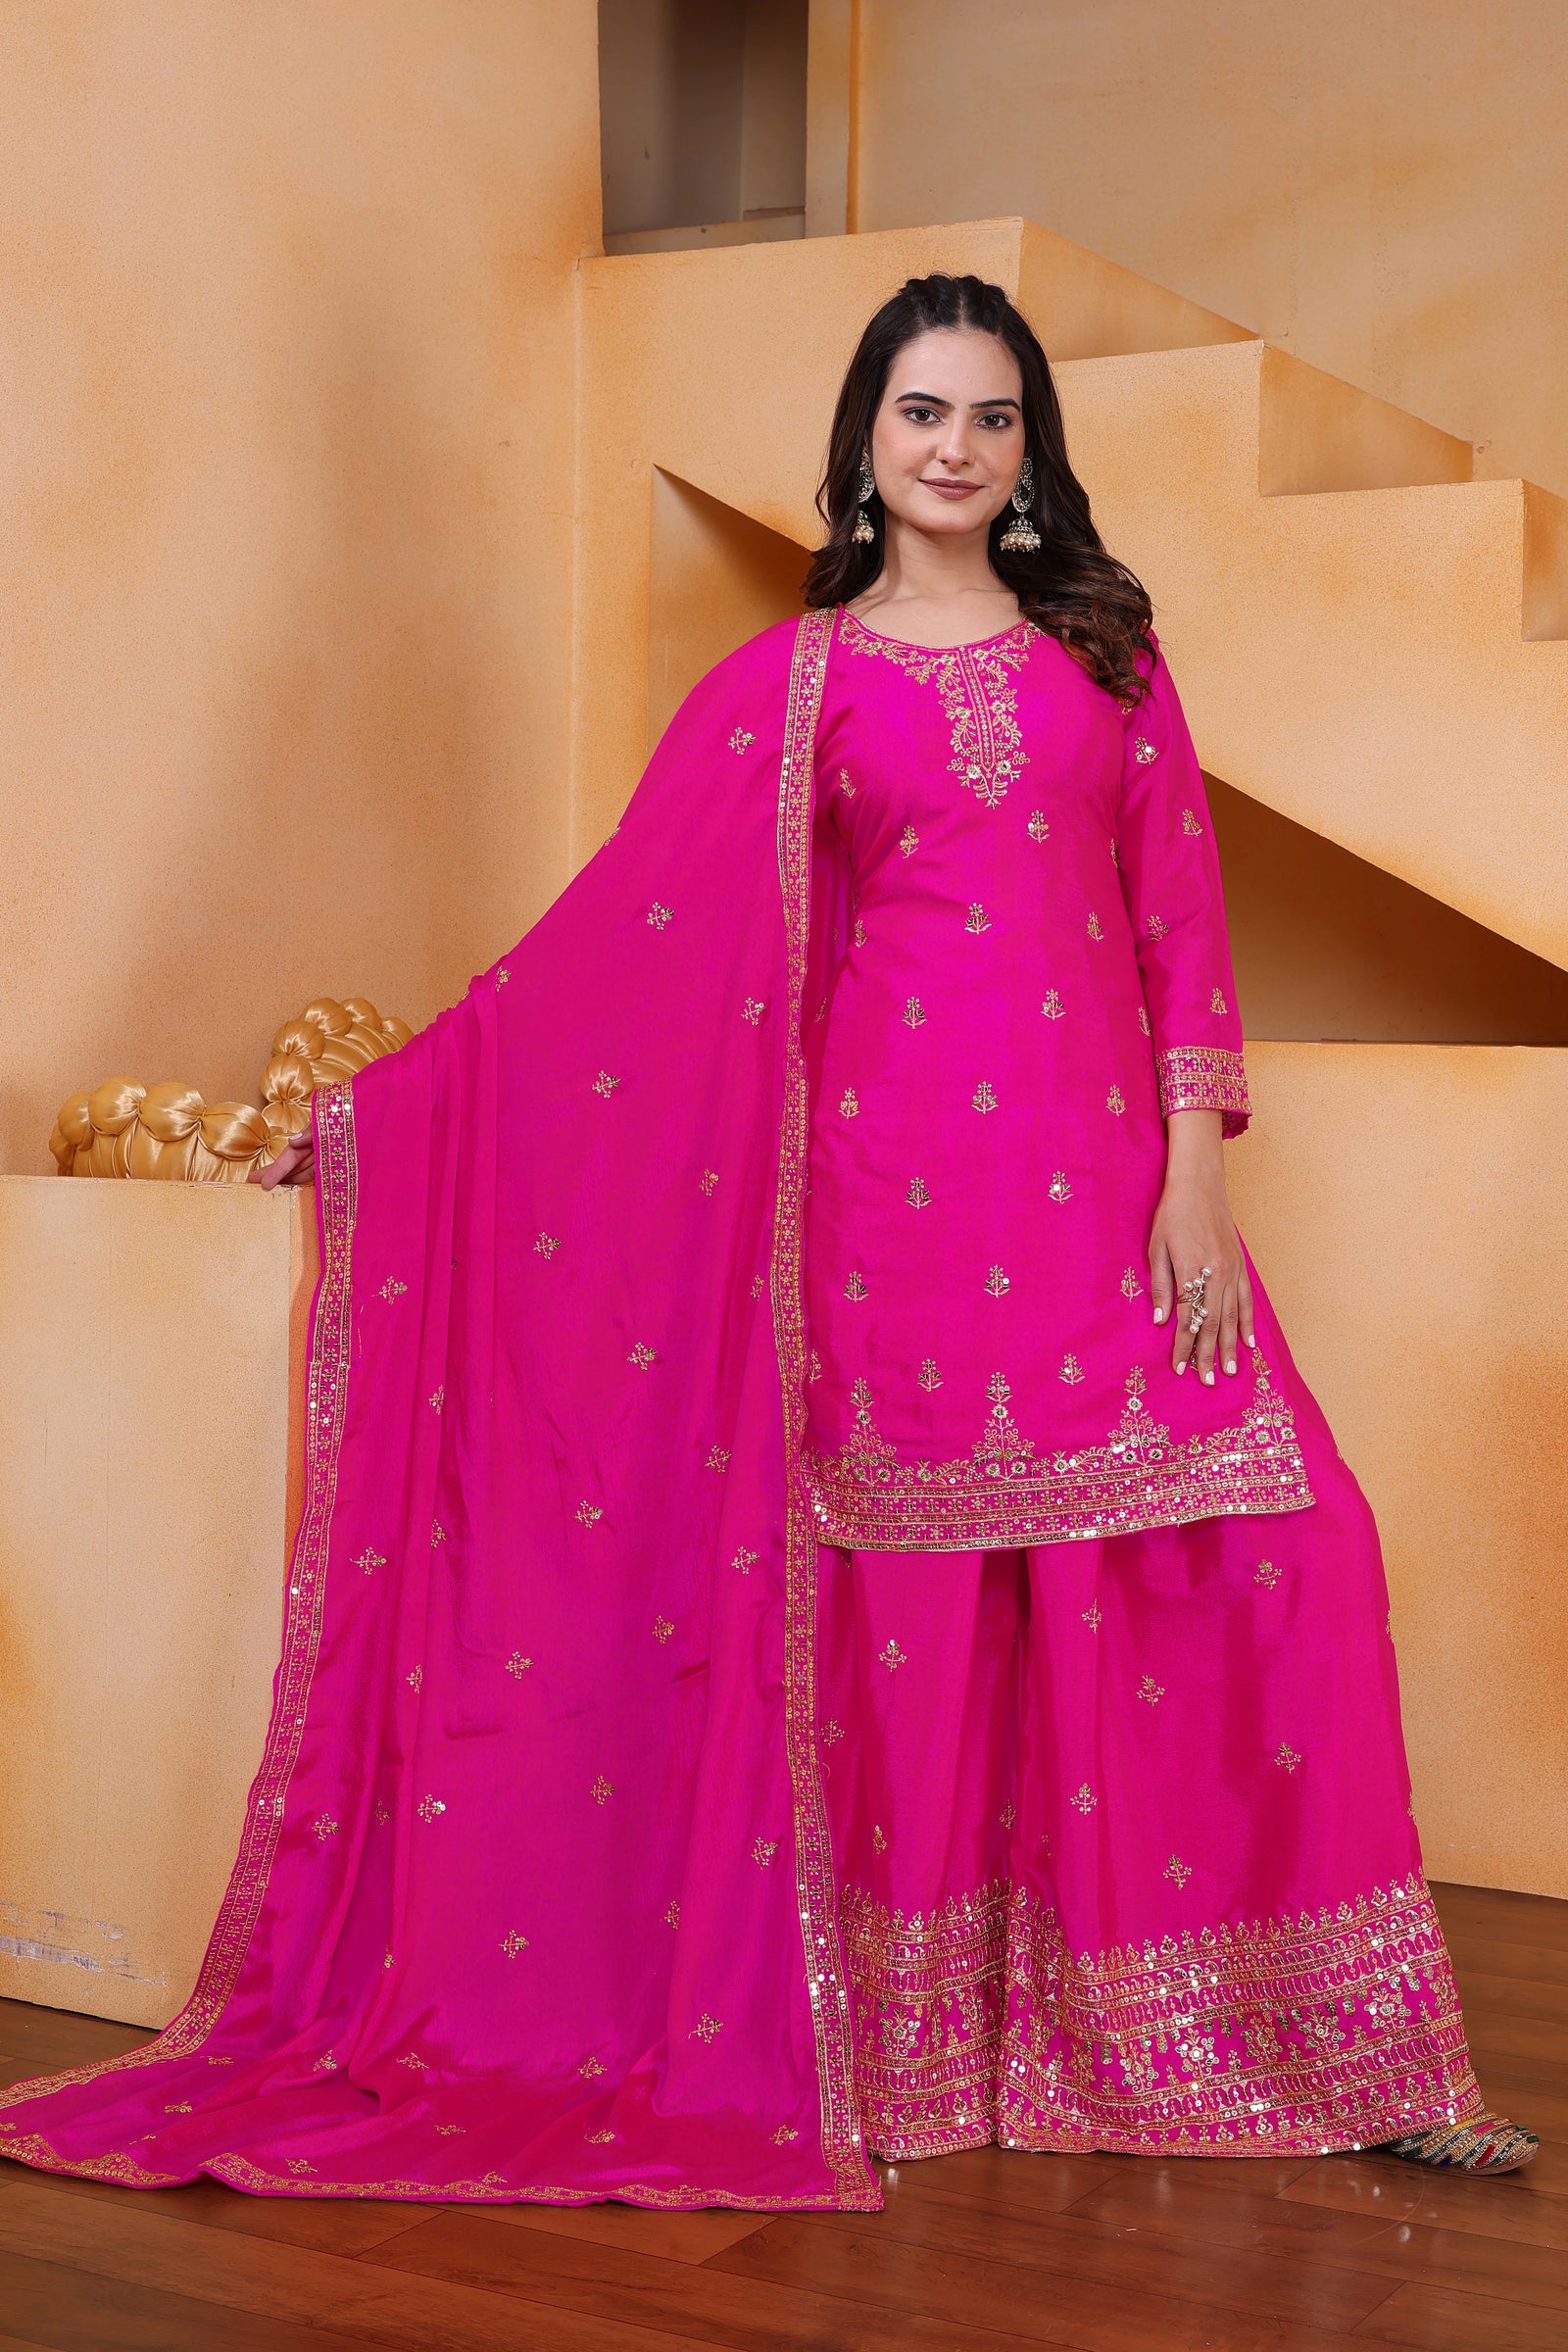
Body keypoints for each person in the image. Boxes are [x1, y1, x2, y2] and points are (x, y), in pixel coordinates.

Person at [0, 274, 1532, 2207]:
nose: (953, 449)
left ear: (1028, 446)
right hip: (888, 1197)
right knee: (903, 1613)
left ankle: (1318, 2054)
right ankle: (889, 2050)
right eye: (919, 414)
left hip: (1102, 1188)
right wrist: (374, 1122)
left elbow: (1175, 920)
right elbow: (623, 942)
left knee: (1282, 1541)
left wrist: (1195, 1168)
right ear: (864, 444)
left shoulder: (1107, 655)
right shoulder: (790, 681)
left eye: (987, 416)